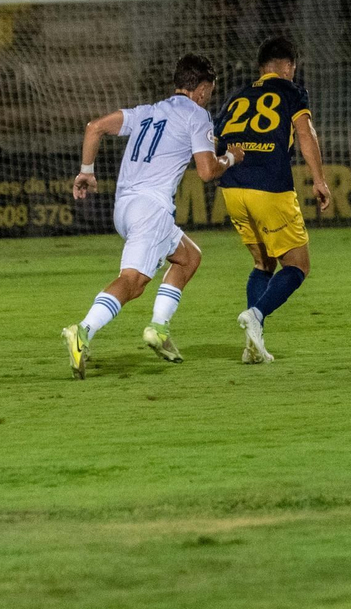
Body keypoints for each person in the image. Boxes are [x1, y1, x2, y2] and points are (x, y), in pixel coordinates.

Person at [60, 54, 243, 378]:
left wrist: (86, 172)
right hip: (151, 210)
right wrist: (231, 157)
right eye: (209, 92)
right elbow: (206, 171)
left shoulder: (147, 112)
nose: (208, 98)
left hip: (125, 207)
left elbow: (94, 128)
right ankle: (83, 330)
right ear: (201, 89)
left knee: (189, 257)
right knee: (133, 282)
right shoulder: (197, 116)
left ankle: (159, 328)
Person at [215, 36, 332, 364]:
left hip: (233, 188)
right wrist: (319, 180)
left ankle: (254, 342)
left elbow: (214, 140)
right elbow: (305, 133)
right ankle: (256, 314)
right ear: (290, 66)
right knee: (297, 266)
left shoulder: (237, 95)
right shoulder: (291, 91)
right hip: (270, 187)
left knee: (263, 263)